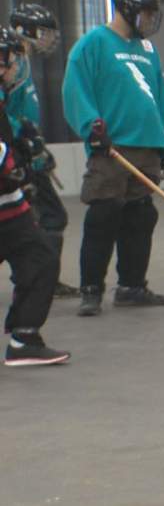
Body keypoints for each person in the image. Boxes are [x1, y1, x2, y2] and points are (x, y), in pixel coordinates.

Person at [62, 0, 164, 317]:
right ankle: (91, 289)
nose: (148, 20)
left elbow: (158, 92)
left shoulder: (147, 50)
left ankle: (131, 285)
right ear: (127, 9)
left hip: (147, 146)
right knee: (104, 214)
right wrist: (91, 126)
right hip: (112, 148)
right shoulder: (93, 44)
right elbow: (74, 89)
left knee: (141, 216)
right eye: (144, 13)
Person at [4, 3, 77, 297]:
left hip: (24, 147)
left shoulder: (22, 60)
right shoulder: (11, 63)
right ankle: (41, 278)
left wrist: (36, 143)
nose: (49, 40)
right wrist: (24, 142)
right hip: (14, 152)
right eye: (44, 33)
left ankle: (39, 276)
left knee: (35, 216)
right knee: (48, 217)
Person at [0, 113, 71, 366]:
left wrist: (27, 152)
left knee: (42, 259)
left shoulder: (6, 102)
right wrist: (17, 159)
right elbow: (6, 160)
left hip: (10, 209)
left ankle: (25, 339)